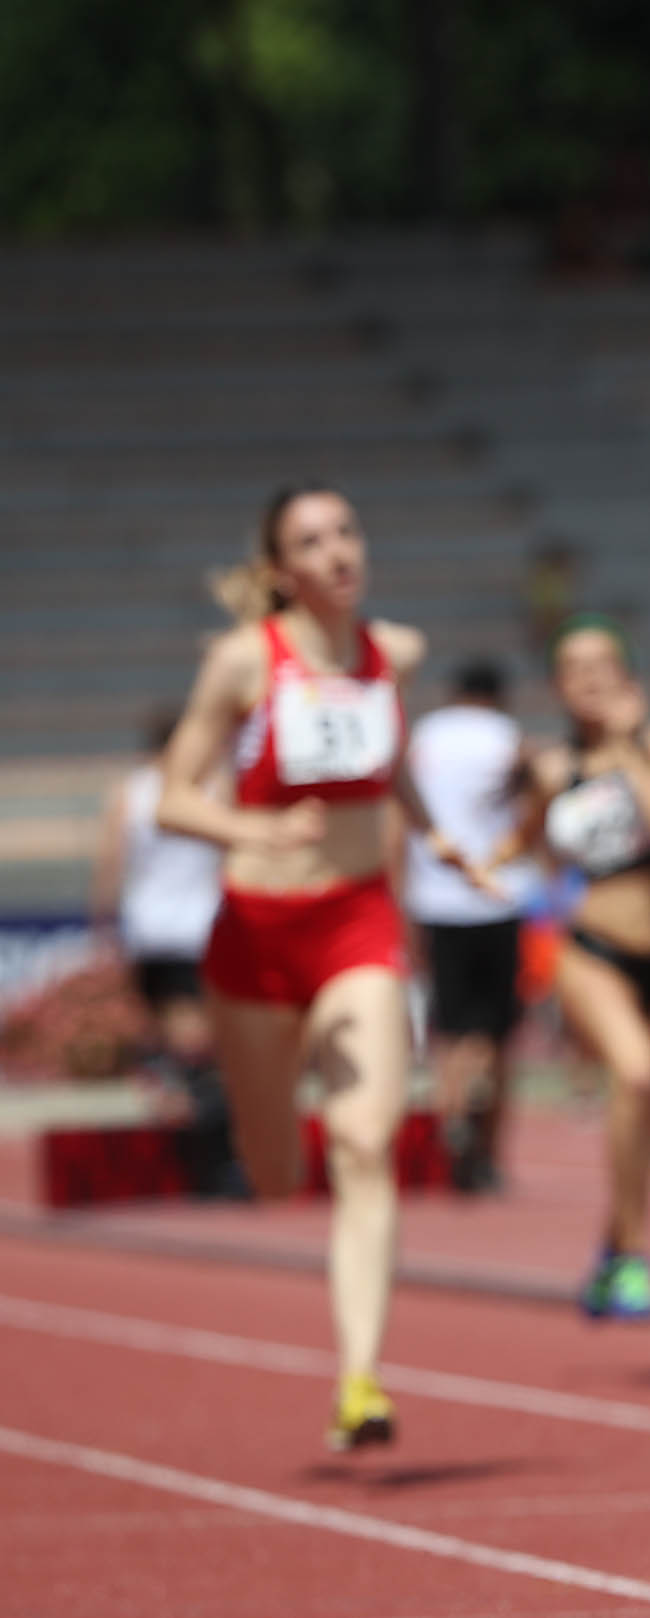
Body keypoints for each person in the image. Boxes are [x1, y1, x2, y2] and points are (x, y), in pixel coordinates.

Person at [157, 482, 499, 1450]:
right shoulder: (243, 660)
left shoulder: (394, 653)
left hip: (356, 920)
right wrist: (252, 828)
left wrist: (438, 836)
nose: (340, 550)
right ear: (281, 571)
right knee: (276, 1171)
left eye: (346, 530)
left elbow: (390, 764)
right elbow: (174, 797)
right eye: (312, 541)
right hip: (257, 935)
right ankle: (275, 1158)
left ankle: (361, 1381)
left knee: (364, 1139)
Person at [493, 617, 650, 1317]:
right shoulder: (554, 771)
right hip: (595, 953)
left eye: (602, 664)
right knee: (635, 1074)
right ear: (557, 686)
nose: (589, 678)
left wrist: (624, 750)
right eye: (574, 668)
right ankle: (637, 1258)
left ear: (628, 675)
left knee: (647, 1127)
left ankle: (612, 1248)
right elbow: (519, 843)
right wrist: (480, 867)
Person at [404, 658, 533, 1194]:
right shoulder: (507, 737)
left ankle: (449, 1120)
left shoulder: (424, 737)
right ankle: (487, 1149)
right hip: (497, 898)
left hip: (434, 898)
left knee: (450, 1027)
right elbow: (532, 804)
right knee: (498, 1032)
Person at [90, 708, 229, 1172]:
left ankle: (193, 1122)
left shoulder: (132, 792)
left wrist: (104, 922)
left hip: (152, 928)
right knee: (197, 1036)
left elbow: (111, 863)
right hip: (199, 927)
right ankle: (204, 1136)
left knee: (176, 1033)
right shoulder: (213, 789)